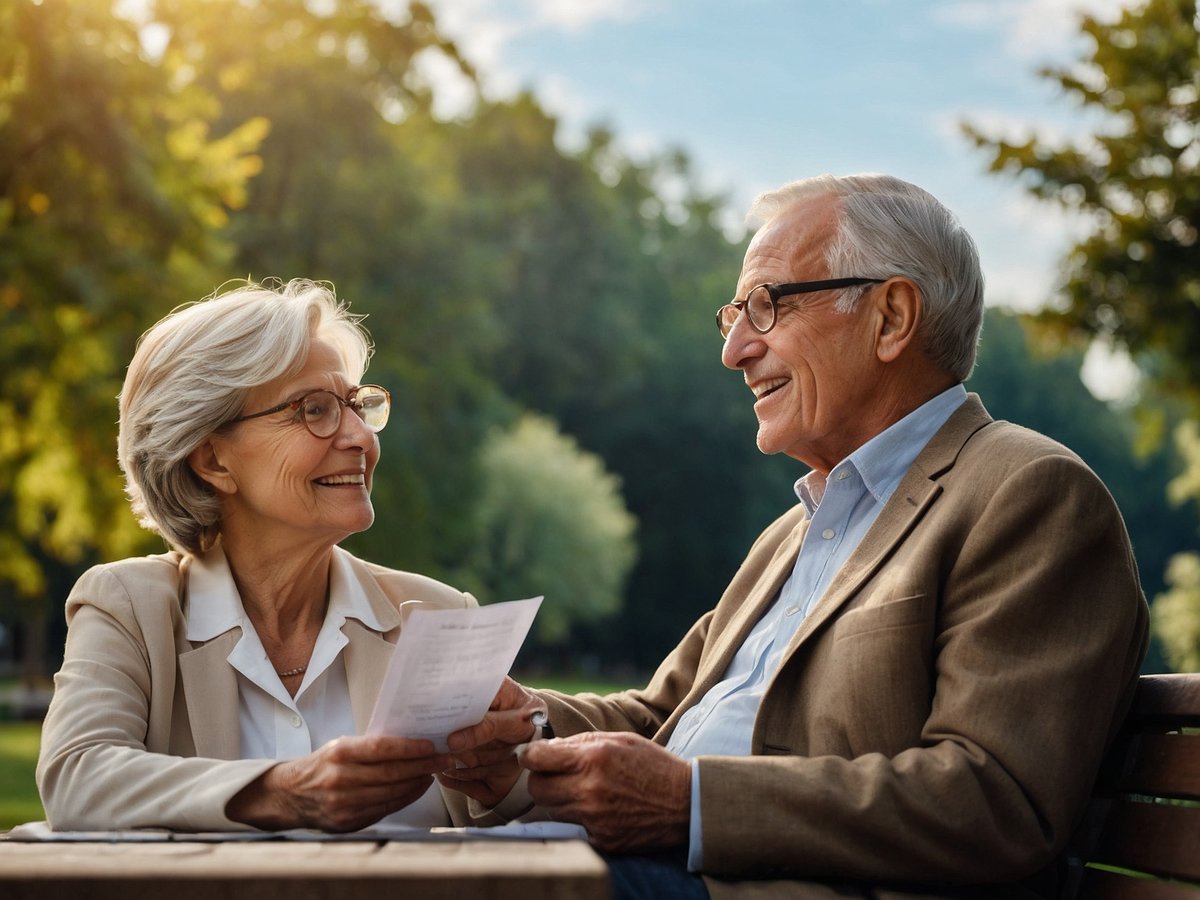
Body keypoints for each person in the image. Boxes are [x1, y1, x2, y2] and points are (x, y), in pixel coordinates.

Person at [441, 174, 1151, 899]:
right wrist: (520, 738)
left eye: (767, 306)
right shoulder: (792, 533)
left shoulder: (1029, 493)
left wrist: (691, 804)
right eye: (734, 316)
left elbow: (995, 800)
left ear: (891, 317)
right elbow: (662, 716)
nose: (736, 351)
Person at [37, 278, 489, 833]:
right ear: (212, 460)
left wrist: (508, 773)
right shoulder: (130, 608)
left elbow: (512, 808)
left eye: (356, 406)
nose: (361, 439)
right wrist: (285, 792)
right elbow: (77, 779)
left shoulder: (439, 614)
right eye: (315, 409)